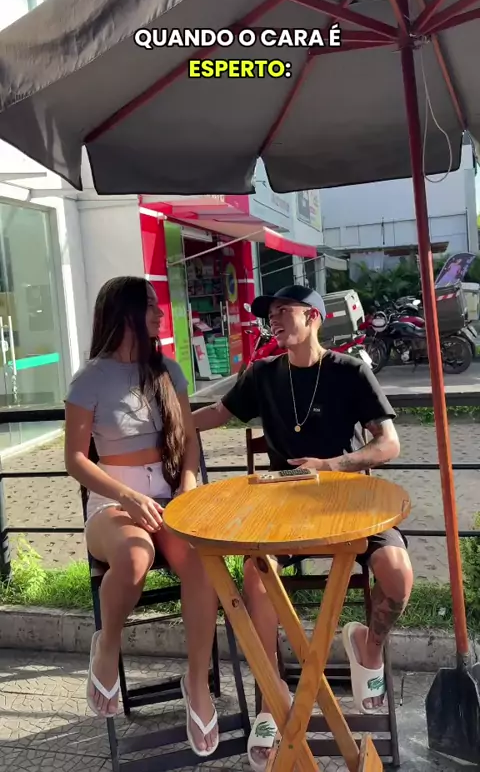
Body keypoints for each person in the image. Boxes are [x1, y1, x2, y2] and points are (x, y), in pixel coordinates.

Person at [193, 284, 413, 772]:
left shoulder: (350, 371)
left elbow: (389, 444)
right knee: (255, 576)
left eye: (283, 310)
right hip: (283, 509)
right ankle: (273, 699)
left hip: (350, 502)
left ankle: (368, 646)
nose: (273, 319)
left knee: (397, 574)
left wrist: (333, 464)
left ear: (313, 317)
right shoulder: (262, 374)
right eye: (269, 313)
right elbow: (218, 413)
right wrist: (171, 424)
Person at [64, 276, 219, 757]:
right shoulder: (90, 378)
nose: (159, 313)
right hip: (113, 503)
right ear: (125, 313)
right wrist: (127, 498)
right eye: (150, 306)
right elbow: (75, 459)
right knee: (134, 558)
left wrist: (188, 487)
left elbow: (188, 439)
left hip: (170, 498)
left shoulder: (167, 370)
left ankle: (196, 682)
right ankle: (108, 642)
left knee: (201, 562)